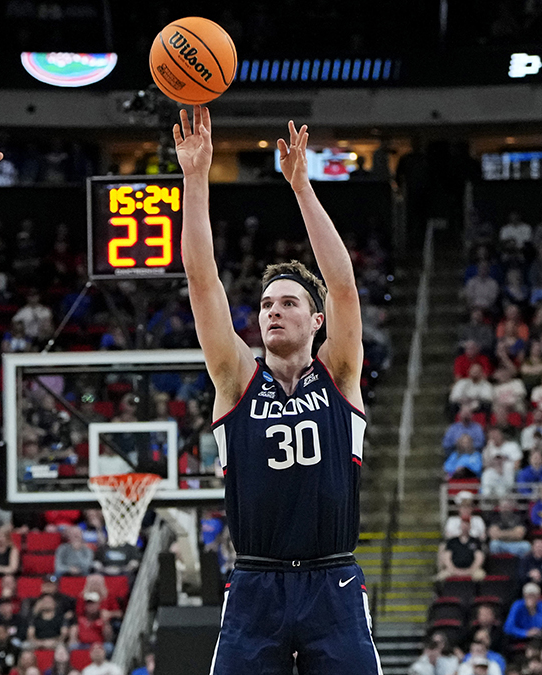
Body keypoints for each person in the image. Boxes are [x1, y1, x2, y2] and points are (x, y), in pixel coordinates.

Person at [177, 110, 379, 674]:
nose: (273, 311)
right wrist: (195, 179)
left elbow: (342, 285)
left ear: (315, 320)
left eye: (288, 303)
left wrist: (301, 185)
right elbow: (201, 280)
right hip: (256, 581)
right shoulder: (236, 378)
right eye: (266, 304)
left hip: (333, 581)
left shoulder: (339, 373)